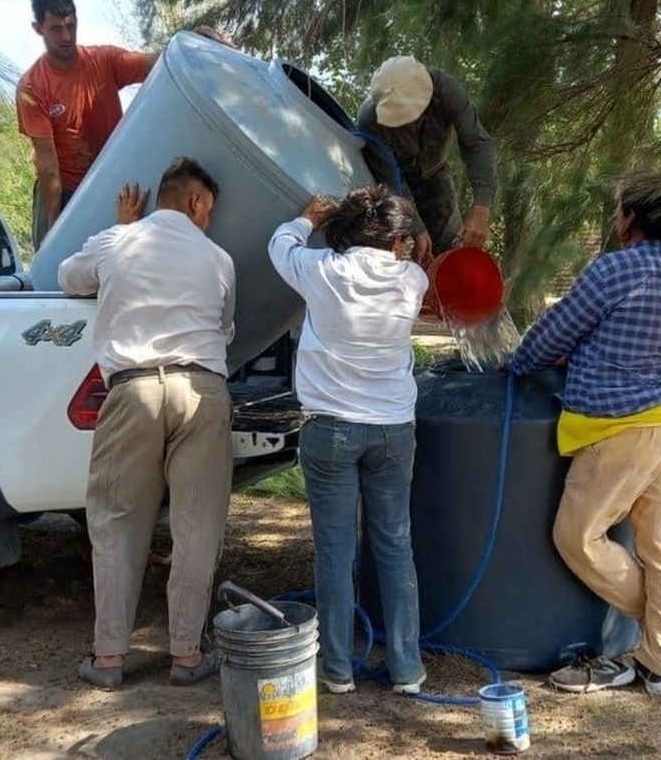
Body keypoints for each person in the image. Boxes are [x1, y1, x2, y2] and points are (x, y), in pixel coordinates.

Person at [505, 171, 661, 697]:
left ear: (632, 219)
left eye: (620, 211)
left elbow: (553, 334)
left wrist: (517, 364)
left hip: (623, 426)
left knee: (578, 536)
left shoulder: (613, 270)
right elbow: (623, 341)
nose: (616, 220)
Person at [57, 157, 235, 689]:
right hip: (202, 390)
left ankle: (109, 659)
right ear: (197, 203)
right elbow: (225, 327)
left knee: (117, 523)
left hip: (131, 390)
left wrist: (120, 230)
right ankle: (185, 656)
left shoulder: (118, 241)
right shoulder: (219, 258)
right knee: (197, 527)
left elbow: (68, 277)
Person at [267, 186, 430, 696]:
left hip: (330, 428)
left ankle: (337, 671)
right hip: (392, 430)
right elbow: (408, 255)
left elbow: (278, 246)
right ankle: (406, 668)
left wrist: (304, 218)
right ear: (396, 238)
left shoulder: (321, 270)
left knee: (335, 552)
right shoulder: (414, 279)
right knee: (395, 545)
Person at [18, 0, 229, 248]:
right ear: (38, 28)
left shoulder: (103, 60)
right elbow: (48, 168)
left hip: (106, 182)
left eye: (70, 25)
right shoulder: (32, 87)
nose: (66, 36)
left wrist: (191, 43)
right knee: (52, 264)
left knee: (111, 254)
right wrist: (53, 229)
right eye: (55, 28)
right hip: (63, 188)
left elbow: (156, 62)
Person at [356, 56, 497, 259]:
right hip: (391, 183)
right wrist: (417, 227)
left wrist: (481, 210)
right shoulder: (369, 120)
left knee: (451, 244)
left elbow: (478, 144)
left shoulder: (446, 90)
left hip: (434, 173)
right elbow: (391, 181)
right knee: (393, 248)